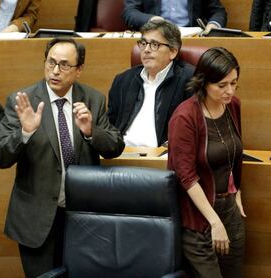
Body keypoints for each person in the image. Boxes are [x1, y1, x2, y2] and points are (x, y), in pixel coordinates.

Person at [0, 38, 125, 277]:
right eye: (51, 62)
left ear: (79, 69)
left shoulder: (93, 100)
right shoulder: (21, 101)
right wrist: (25, 133)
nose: (55, 71)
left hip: (83, 217)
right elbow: (0, 157)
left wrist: (90, 131)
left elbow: (115, 147)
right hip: (36, 218)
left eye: (64, 65)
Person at [168, 47, 246, 278]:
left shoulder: (233, 106)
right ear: (203, 82)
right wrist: (214, 222)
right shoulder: (185, 117)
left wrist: (237, 192)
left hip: (229, 209)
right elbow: (186, 177)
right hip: (198, 217)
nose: (229, 91)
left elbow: (234, 153)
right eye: (221, 85)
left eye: (234, 83)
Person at [107, 19, 194, 147]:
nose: (146, 50)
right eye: (143, 43)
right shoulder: (122, 80)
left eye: (154, 44)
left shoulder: (190, 80)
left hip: (162, 158)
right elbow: (110, 126)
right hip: (122, 155)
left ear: (173, 52)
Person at [122, 0, 227, 32]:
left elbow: (218, 11)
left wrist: (213, 25)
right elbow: (130, 11)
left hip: (192, 37)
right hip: (155, 34)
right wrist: (150, 20)